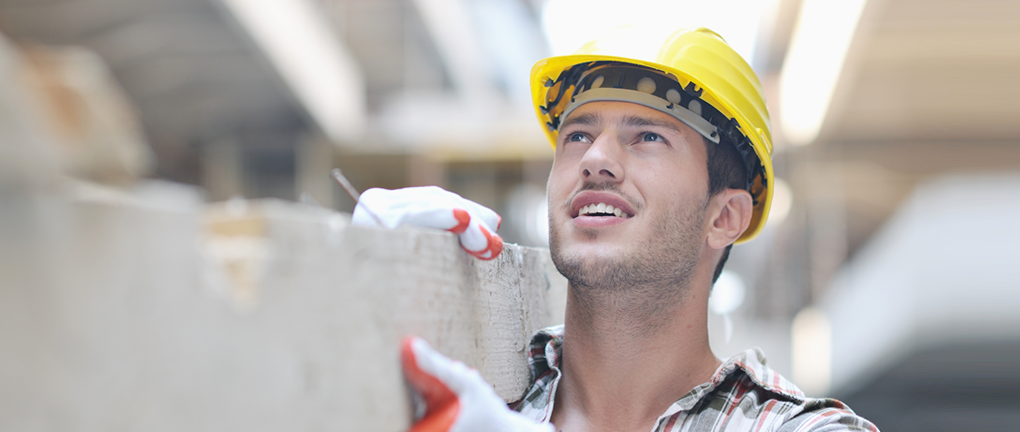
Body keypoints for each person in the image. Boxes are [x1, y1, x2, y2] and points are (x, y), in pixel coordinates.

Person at [354, 26, 878, 432]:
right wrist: (362, 291)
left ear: (724, 217)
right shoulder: (472, 385)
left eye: (648, 136)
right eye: (577, 135)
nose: (596, 158)